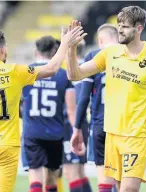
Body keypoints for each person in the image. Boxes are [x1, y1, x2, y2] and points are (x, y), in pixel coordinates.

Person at [0, 27, 86, 192]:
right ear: (3, 50)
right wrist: (65, 43)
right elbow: (52, 68)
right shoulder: (15, 71)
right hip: (6, 146)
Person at [66, 6, 146, 192]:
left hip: (136, 135)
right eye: (119, 25)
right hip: (112, 134)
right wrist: (71, 49)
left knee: (128, 189)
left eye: (125, 26)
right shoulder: (110, 53)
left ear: (139, 29)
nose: (120, 30)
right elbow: (75, 75)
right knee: (117, 188)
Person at [21, 36, 77, 192]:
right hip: (55, 133)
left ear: (35, 51)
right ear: (54, 51)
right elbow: (71, 109)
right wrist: (76, 131)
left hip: (32, 131)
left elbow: (17, 102)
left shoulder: (26, 72)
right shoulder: (63, 75)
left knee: (35, 174)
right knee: (52, 177)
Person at [75, 24, 118, 192]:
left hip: (100, 123)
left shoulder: (94, 56)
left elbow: (84, 97)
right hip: (124, 125)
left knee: (104, 181)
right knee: (122, 180)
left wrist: (77, 128)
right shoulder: (129, 56)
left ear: (100, 40)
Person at [62, 40, 92, 192]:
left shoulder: (69, 72)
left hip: (71, 125)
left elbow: (76, 102)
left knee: (70, 172)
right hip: (83, 123)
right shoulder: (89, 69)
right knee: (80, 171)